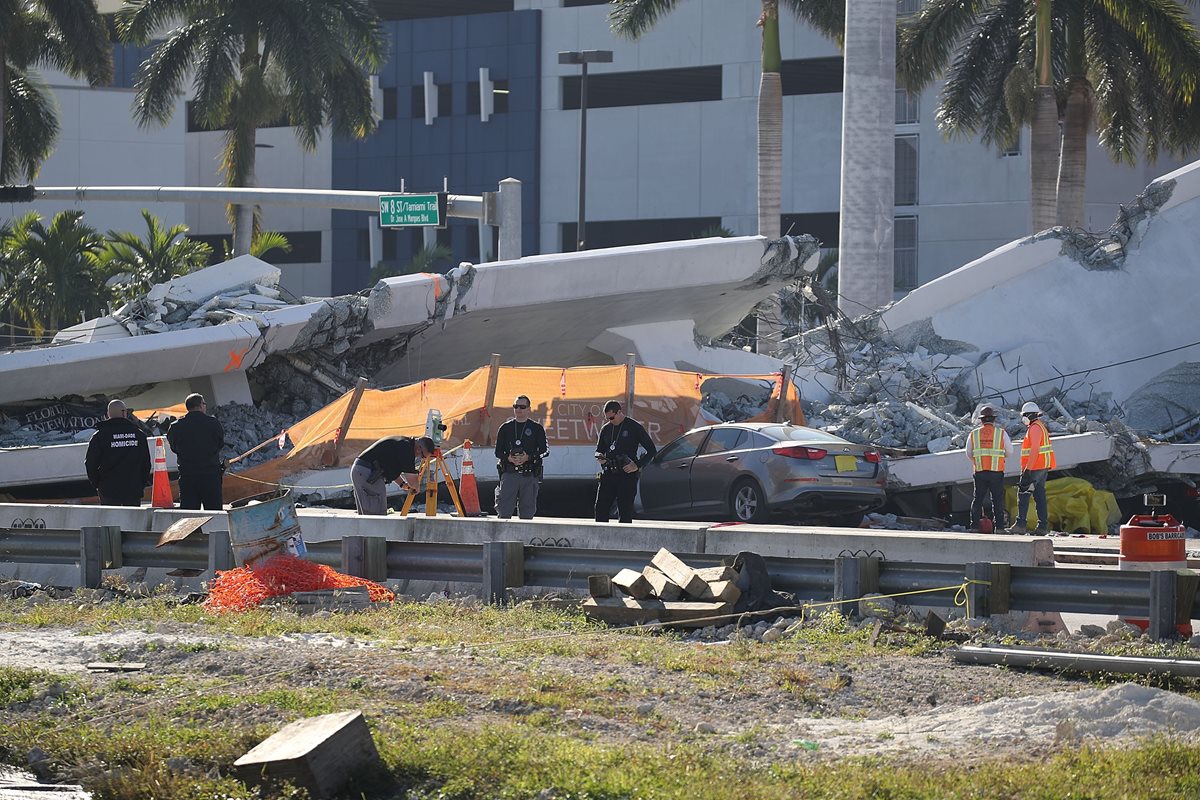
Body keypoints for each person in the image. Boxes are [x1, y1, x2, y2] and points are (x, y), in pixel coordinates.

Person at [593, 400, 657, 523]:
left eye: (612, 417)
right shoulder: (606, 429)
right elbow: (599, 449)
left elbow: (651, 450)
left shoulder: (634, 427)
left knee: (625, 509)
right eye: (607, 418)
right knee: (601, 506)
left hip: (626, 473)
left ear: (619, 412)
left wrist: (637, 465)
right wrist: (599, 456)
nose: (610, 420)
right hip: (609, 472)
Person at [84, 399, 151, 506]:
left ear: (107, 414)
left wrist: (99, 485)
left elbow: (90, 464)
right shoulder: (139, 435)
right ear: (124, 413)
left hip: (108, 490)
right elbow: (146, 464)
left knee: (110, 522)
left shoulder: (99, 436)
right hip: (133, 489)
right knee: (132, 521)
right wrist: (140, 484)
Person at [166, 393, 226, 511]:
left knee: (190, 514)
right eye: (204, 403)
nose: (205, 406)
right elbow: (220, 444)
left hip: (188, 476)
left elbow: (174, 447)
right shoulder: (213, 423)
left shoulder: (175, 426)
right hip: (211, 474)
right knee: (214, 511)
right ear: (200, 405)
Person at [494, 395, 549, 520]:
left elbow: (545, 451)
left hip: (529, 475)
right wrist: (508, 458)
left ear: (529, 409)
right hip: (509, 473)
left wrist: (528, 457)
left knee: (527, 513)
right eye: (516, 406)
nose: (518, 409)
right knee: (504, 511)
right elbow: (497, 452)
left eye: (522, 407)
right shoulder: (505, 428)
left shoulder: (537, 428)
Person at [352, 435, 435, 515]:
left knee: (367, 515)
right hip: (368, 473)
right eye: (423, 456)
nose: (422, 459)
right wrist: (417, 487)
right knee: (376, 517)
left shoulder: (403, 443)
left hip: (361, 470)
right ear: (419, 449)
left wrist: (402, 484)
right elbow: (413, 483)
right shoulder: (406, 450)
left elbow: (390, 468)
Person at [1007, 401, 1056, 534]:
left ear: (1028, 415)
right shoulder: (1040, 426)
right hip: (1042, 466)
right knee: (1039, 495)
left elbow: (1034, 449)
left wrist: (1027, 470)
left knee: (1023, 493)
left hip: (1035, 467)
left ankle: (1021, 524)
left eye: (1023, 415)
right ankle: (1042, 526)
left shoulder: (1034, 428)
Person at [964, 404, 1012, 533]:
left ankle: (974, 526)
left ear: (981, 420)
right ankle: (1000, 528)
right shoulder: (1001, 433)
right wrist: (1000, 457)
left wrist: (977, 462)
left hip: (980, 471)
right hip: (996, 471)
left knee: (977, 499)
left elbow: (968, 453)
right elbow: (1009, 451)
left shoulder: (973, 434)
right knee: (997, 499)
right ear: (994, 419)